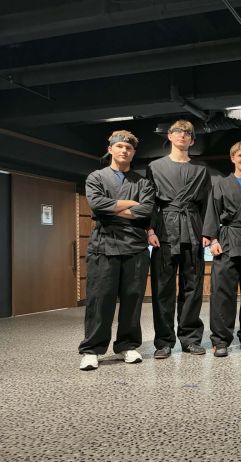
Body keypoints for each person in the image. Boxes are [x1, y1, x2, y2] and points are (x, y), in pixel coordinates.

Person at [79, 130, 155, 371]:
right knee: (100, 299)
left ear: (133, 153)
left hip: (135, 246)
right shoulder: (96, 177)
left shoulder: (142, 182)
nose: (124, 150)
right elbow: (97, 204)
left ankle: (127, 345)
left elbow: (147, 210)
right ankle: (92, 349)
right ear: (110, 149)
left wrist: (113, 209)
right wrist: (132, 204)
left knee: (133, 298)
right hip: (104, 245)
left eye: (129, 148)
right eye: (120, 146)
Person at [146, 120, 211, 359]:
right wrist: (150, 230)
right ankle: (163, 342)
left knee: (192, 286)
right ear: (170, 136)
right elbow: (150, 201)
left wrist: (207, 232)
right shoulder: (155, 167)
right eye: (178, 132)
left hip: (192, 228)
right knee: (162, 287)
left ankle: (190, 339)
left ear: (192, 140)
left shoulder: (201, 170)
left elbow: (207, 204)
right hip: (165, 230)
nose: (182, 135)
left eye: (187, 133)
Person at [203, 140, 241, 357]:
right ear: (232, 158)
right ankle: (221, 340)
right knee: (222, 292)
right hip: (227, 239)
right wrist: (213, 240)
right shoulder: (221, 184)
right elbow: (212, 211)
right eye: (240, 155)